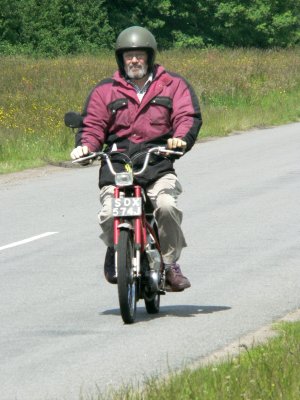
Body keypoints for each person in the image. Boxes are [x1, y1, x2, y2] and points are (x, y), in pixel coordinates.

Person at [70, 26, 202, 291]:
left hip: (157, 161)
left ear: (149, 56)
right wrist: (85, 146)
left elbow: (187, 116)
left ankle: (169, 264)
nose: (134, 60)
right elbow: (93, 124)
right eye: (128, 56)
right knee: (109, 213)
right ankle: (116, 246)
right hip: (117, 163)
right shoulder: (105, 90)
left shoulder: (172, 84)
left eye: (139, 55)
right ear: (121, 59)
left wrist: (180, 139)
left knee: (165, 205)